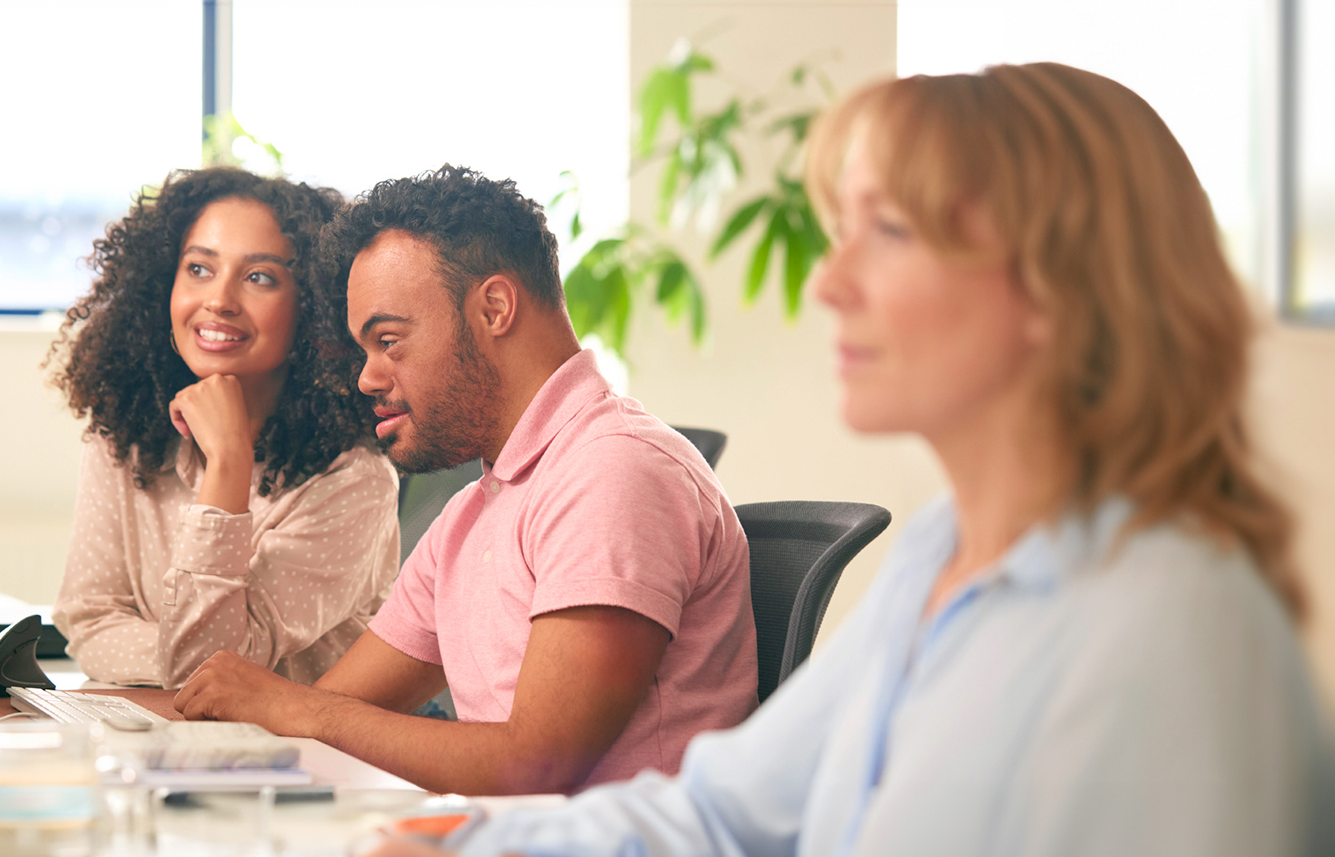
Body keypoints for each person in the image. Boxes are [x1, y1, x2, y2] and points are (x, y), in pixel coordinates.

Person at [390, 63, 1334, 857]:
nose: (832, 284)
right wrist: (470, 841)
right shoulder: (942, 556)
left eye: (888, 233)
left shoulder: (1176, 627)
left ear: (1061, 281)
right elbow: (724, 807)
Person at [173, 166, 759, 796]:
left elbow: (535, 764)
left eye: (389, 340)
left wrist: (300, 710)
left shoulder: (613, 470)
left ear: (495, 308)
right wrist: (90, 711)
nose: (367, 378)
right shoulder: (475, 512)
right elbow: (322, 713)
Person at [48, 167, 400, 690]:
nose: (219, 300)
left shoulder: (355, 482)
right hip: (156, 746)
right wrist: (181, 655)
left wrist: (229, 460)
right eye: (198, 268)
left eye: (259, 277)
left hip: (302, 761)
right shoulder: (125, 439)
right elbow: (91, 621)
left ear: (313, 308)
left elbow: (206, 666)